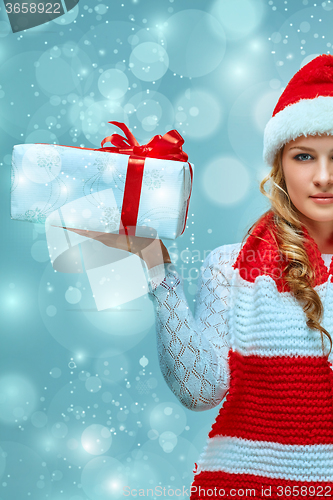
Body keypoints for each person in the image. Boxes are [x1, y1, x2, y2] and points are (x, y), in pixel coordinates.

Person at [65, 54, 333, 499]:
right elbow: (201, 391)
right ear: (280, 166)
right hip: (242, 487)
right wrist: (157, 268)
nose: (323, 177)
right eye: (304, 156)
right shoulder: (229, 268)